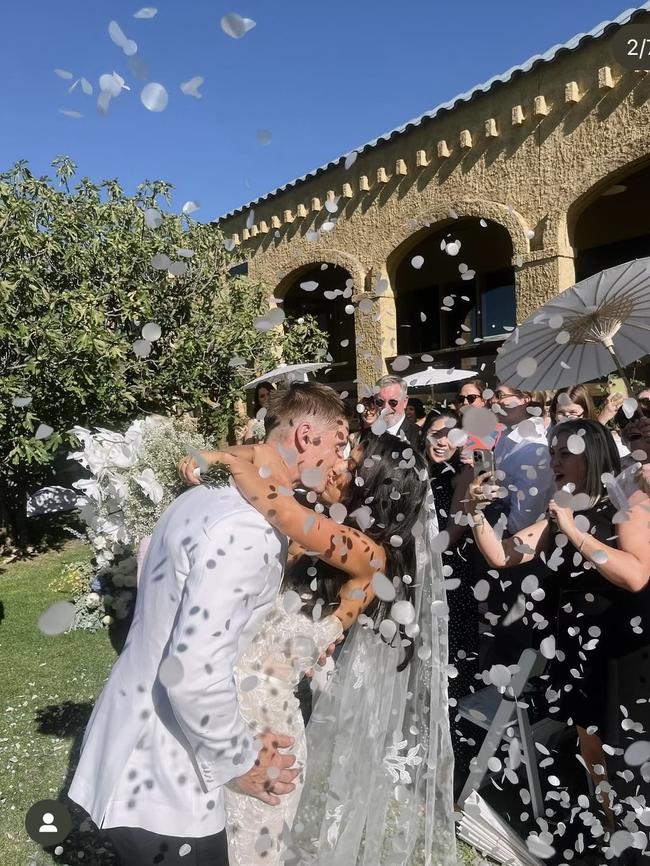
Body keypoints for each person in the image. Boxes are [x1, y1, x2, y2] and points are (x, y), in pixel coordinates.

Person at [68, 383, 349, 866]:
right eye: (337, 445)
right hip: (163, 779)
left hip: (135, 745)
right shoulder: (245, 529)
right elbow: (193, 672)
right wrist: (240, 763)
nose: (339, 460)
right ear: (306, 437)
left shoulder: (201, 499)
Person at [179, 434, 456, 866]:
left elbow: (281, 508)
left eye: (350, 464)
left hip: (270, 725)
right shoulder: (324, 541)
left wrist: (226, 461)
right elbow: (273, 460)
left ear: (370, 490)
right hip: (222, 708)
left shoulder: (368, 553)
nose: (336, 465)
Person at [465, 419, 650, 828]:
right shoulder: (560, 512)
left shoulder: (627, 505)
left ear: (594, 454)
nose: (555, 461)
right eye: (552, 452)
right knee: (591, 744)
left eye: (566, 452)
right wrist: (475, 514)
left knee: (626, 751)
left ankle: (634, 834)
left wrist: (573, 531)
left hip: (620, 650)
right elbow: (504, 555)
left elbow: (636, 574)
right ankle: (613, 830)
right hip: (577, 648)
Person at [421, 408, 478, 796]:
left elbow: (450, 537)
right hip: (417, 588)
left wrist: (465, 485)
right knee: (422, 677)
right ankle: (419, 760)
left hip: (454, 590)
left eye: (450, 434)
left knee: (454, 680)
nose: (442, 441)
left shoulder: (467, 478)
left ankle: (452, 774)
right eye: (435, 433)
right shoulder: (412, 474)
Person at [489, 383, 554, 534]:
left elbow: (522, 523)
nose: (492, 401)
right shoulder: (508, 437)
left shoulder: (533, 450)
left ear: (524, 400)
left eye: (500, 396)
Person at [370, 374, 421, 449]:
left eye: (392, 402)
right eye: (379, 402)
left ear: (405, 401)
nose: (385, 408)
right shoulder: (367, 436)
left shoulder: (420, 437)